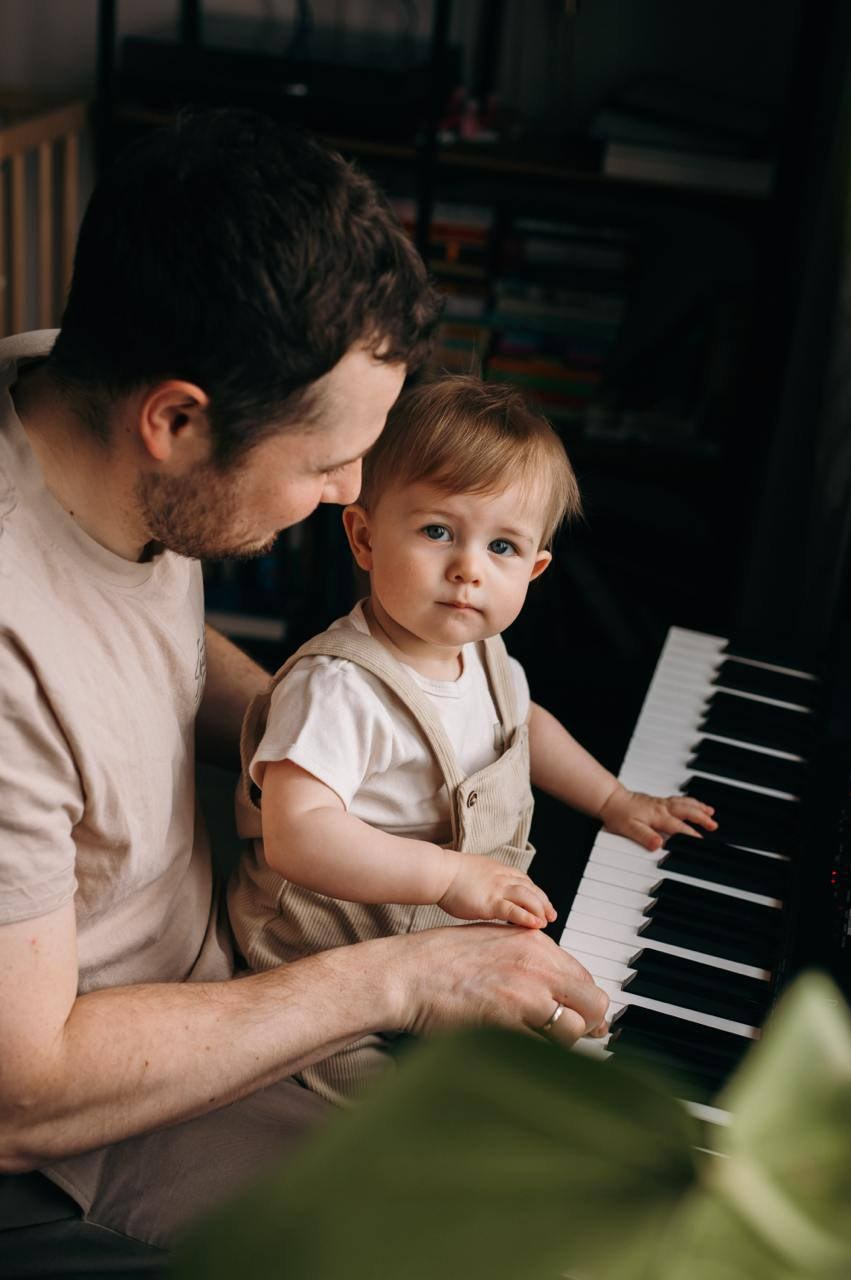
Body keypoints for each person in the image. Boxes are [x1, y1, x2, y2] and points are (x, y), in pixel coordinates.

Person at [0, 109, 613, 1271]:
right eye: (329, 463)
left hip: (228, 953)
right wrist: (403, 973)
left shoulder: (72, 387)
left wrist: (350, 715)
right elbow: (23, 1094)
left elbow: (152, 663)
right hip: (93, 1112)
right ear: (176, 421)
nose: (347, 492)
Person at [229, 375, 718, 1104]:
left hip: (432, 931)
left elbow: (525, 730)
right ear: (363, 536)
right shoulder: (340, 687)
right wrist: (450, 878)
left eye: (502, 546)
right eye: (437, 532)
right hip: (320, 955)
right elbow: (297, 837)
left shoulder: (484, 657)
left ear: (535, 569)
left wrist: (613, 800)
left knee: (519, 1057)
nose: (468, 568)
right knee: (377, 1105)